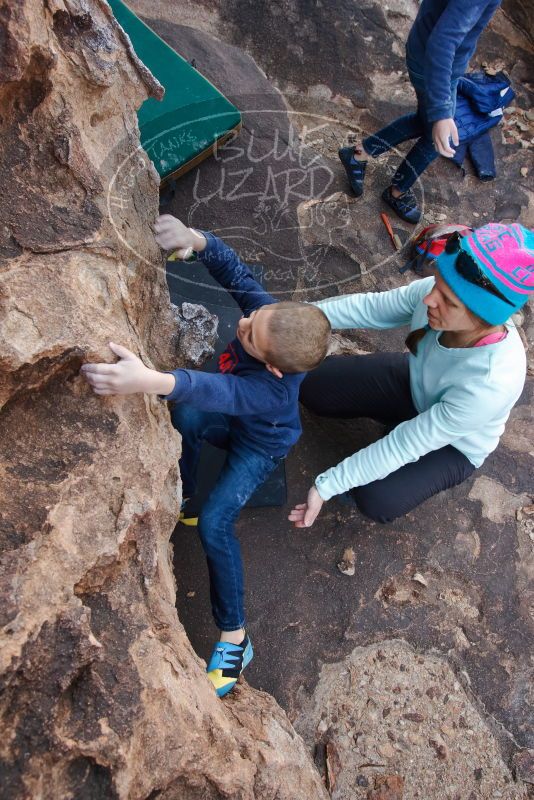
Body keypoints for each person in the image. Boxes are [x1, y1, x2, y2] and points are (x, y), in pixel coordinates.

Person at [81, 215, 331, 697]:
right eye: (254, 319)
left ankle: (236, 637)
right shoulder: (269, 319)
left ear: (274, 367)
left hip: (260, 445)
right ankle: (186, 496)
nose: (241, 324)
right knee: (190, 418)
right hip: (237, 421)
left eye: (250, 335)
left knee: (218, 523)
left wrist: (150, 381)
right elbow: (238, 275)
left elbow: (215, 388)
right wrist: (197, 241)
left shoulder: (272, 394)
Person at [289, 223, 533, 529]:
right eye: (436, 284)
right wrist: (293, 316)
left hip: (455, 444)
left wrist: (327, 485)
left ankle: (369, 483)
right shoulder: (436, 296)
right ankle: (391, 424)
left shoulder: (491, 383)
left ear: (484, 318)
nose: (430, 299)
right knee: (312, 386)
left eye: (448, 301)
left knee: (376, 499)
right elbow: (372, 308)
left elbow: (406, 443)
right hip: (417, 386)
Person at [338, 0, 502, 224]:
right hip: (434, 64)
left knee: (425, 122)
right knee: (437, 138)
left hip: (425, 51)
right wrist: (442, 112)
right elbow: (443, 41)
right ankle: (397, 192)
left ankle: (360, 154)